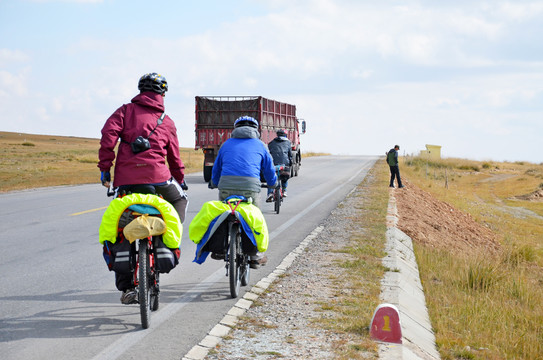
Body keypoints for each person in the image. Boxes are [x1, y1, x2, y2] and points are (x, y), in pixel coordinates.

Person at [98, 72, 188, 304]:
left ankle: (126, 288)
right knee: (180, 201)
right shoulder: (166, 121)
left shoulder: (125, 111)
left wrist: (105, 168)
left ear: (140, 90)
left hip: (126, 181)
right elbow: (174, 156)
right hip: (159, 181)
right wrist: (180, 178)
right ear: (163, 94)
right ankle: (167, 239)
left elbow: (108, 137)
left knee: (122, 229)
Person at [209, 115, 278, 267]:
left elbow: (217, 168)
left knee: (223, 214)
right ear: (256, 130)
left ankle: (220, 249)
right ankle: (254, 256)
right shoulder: (261, 145)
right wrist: (273, 183)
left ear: (235, 129)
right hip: (250, 188)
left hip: (226, 186)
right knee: (254, 218)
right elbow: (269, 169)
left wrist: (214, 182)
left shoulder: (226, 144)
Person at [266, 129, 292, 202]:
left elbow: (269, 153)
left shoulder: (271, 143)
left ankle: (270, 193)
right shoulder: (288, 143)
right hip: (284, 163)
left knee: (271, 178)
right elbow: (290, 155)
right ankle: (284, 190)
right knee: (285, 176)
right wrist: (290, 163)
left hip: (273, 164)